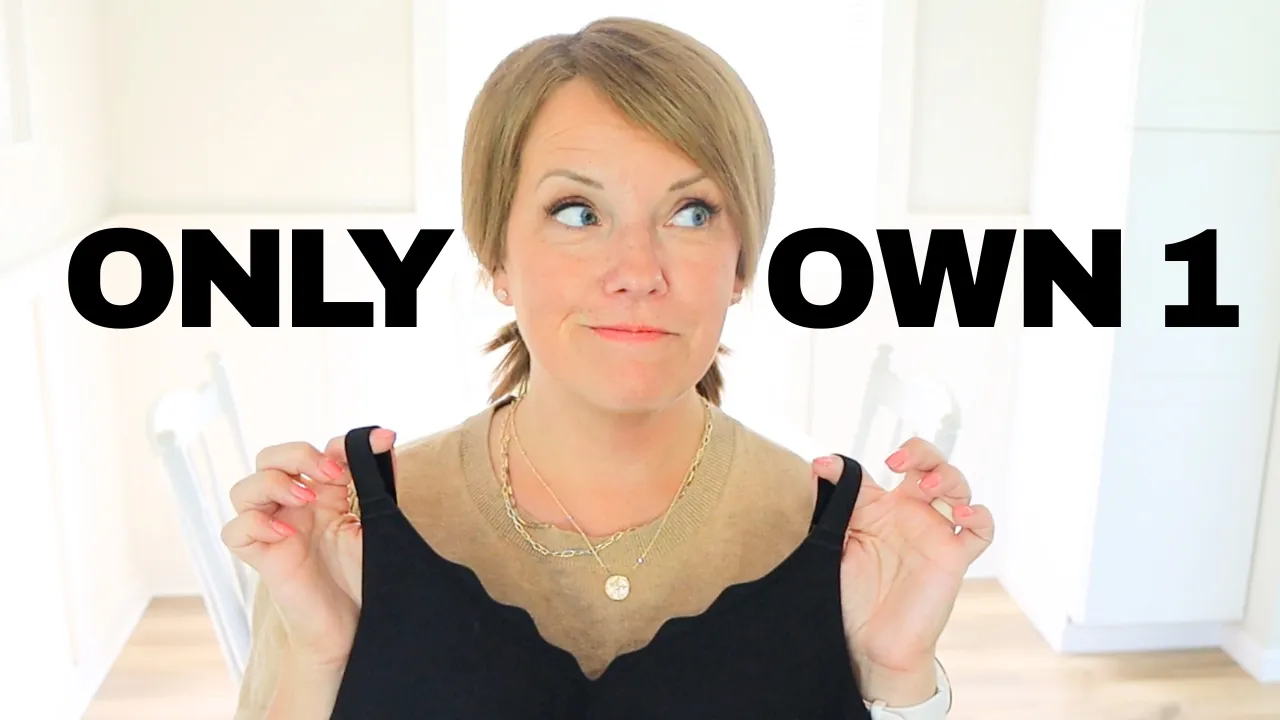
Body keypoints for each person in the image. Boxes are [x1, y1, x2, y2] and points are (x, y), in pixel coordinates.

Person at [222, 16, 993, 720]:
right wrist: (320, 659)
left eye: (691, 213)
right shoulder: (350, 534)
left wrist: (898, 678)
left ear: (739, 264)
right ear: (496, 256)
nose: (638, 271)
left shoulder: (837, 546)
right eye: (578, 213)